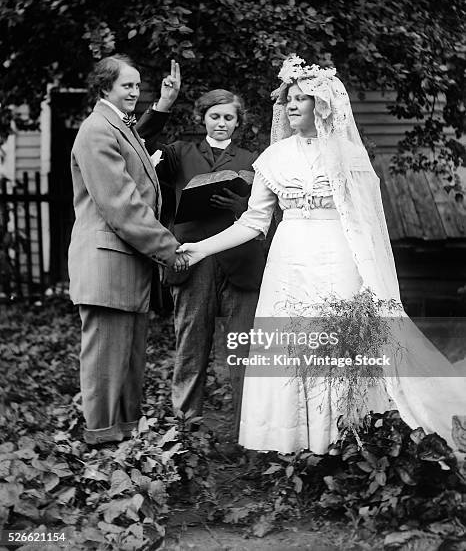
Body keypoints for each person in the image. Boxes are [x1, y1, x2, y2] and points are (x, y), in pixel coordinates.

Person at [176, 55, 466, 455]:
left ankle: (345, 439)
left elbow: (368, 224)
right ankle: (291, 444)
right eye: (288, 99)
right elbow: (253, 222)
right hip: (289, 259)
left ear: (322, 104)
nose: (291, 105)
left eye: (301, 98)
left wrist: (372, 276)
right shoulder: (273, 159)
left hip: (339, 256)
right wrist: (199, 249)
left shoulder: (349, 158)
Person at [68, 55, 188, 445]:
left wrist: (163, 106)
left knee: (128, 363)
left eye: (138, 85)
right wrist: (171, 249)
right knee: (105, 364)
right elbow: (122, 205)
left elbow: (138, 147)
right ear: (105, 89)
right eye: (127, 86)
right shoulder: (96, 131)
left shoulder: (115, 125)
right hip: (107, 265)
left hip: (127, 265)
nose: (135, 92)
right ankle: (101, 451)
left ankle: (125, 446)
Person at [136, 89, 266, 426]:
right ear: (203, 118)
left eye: (228, 117)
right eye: (215, 116)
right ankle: (185, 427)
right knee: (191, 345)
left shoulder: (254, 160)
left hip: (240, 261)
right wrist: (162, 106)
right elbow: (140, 141)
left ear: (238, 122)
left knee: (243, 350)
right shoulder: (180, 152)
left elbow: (269, 214)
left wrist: (242, 208)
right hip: (193, 261)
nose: (221, 123)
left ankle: (247, 428)